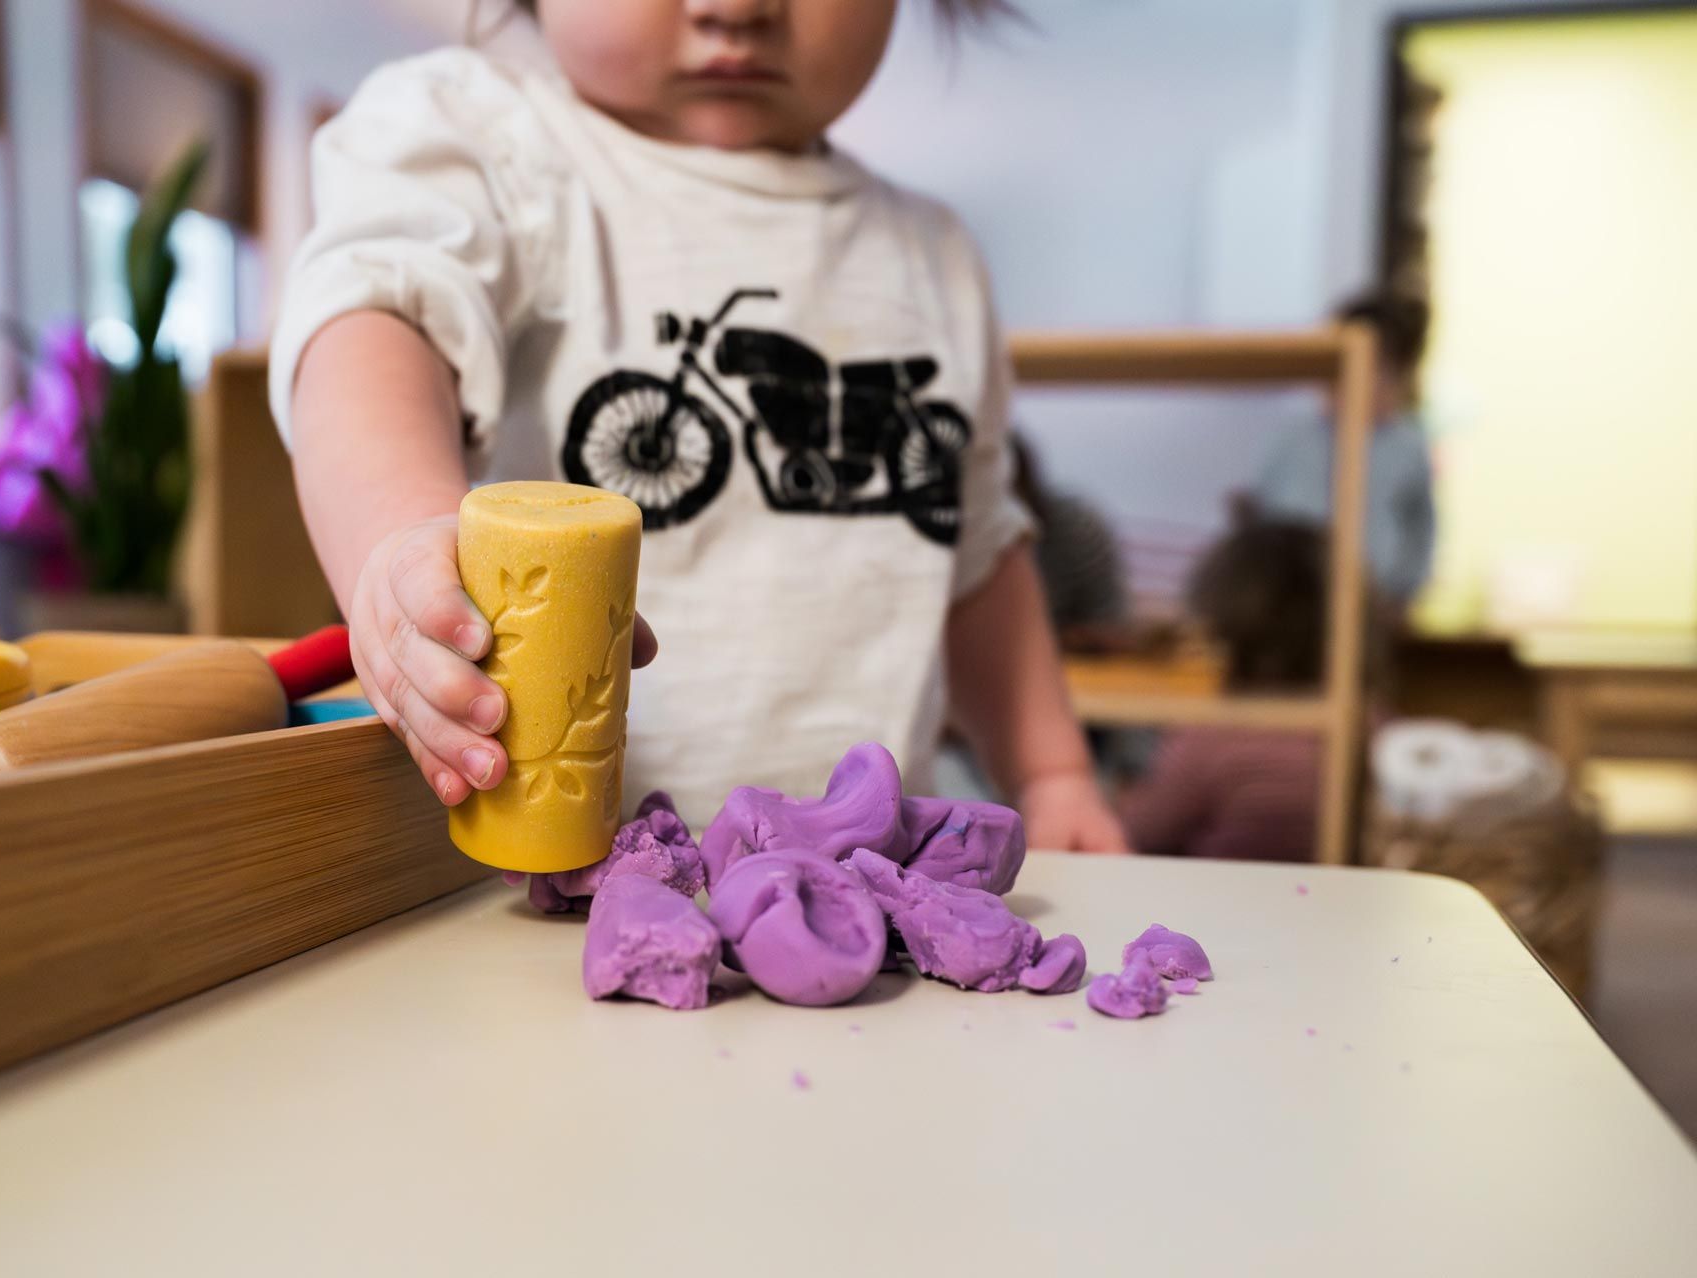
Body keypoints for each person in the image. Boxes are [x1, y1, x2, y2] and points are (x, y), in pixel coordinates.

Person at [271, 0, 1127, 851]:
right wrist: (399, 534)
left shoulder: (933, 255)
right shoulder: (490, 144)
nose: (736, 8)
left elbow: (973, 548)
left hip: (872, 885)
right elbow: (379, 318)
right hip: (530, 874)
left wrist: (1053, 775)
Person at [1118, 519, 1326, 862]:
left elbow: (1140, 830)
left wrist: (1123, 796)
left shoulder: (1210, 737)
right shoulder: (1369, 726)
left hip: (1219, 903)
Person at [1251, 291, 1437, 613]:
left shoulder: (1407, 446)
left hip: (1373, 604)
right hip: (1293, 602)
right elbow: (1265, 515)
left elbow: (1420, 532)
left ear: (1398, 374)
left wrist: (1403, 593)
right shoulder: (1296, 440)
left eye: (1378, 368)